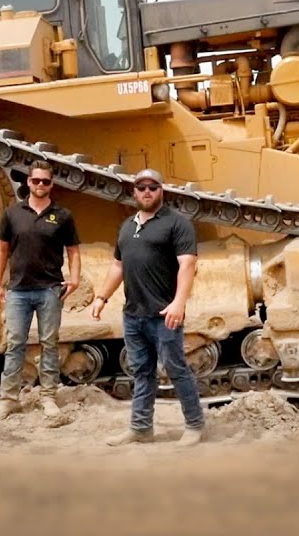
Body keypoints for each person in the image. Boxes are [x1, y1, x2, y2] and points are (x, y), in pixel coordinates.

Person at [90, 168, 205, 447]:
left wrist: (179, 302)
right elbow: (118, 265)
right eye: (141, 187)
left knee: (176, 369)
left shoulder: (177, 223)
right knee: (141, 371)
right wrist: (102, 297)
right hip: (133, 314)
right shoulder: (128, 226)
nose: (146, 191)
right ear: (134, 192)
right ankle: (141, 428)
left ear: (161, 190)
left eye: (152, 187)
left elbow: (187, 264)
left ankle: (194, 424)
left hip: (164, 314)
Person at [0, 160, 81, 422]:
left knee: (50, 344)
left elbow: (73, 251)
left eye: (45, 181)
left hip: (50, 289)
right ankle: (8, 401)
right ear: (28, 182)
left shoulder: (63, 216)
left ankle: (48, 397)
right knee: (14, 344)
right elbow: (2, 250)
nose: (40, 185)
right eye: (36, 180)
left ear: (51, 184)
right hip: (18, 290)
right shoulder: (13, 213)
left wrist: (74, 279)